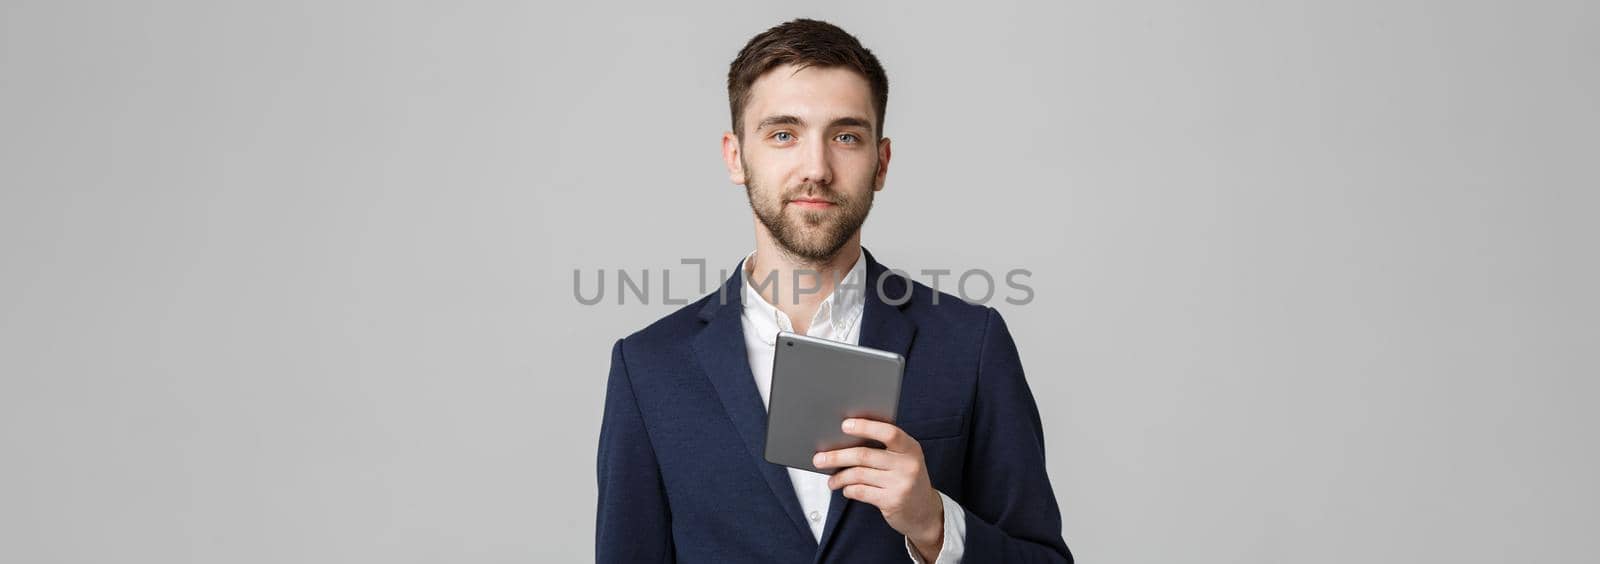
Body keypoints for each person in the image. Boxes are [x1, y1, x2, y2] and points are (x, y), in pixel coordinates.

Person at [595, 18, 1072, 563]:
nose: (816, 168)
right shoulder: (649, 366)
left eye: (845, 136)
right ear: (735, 156)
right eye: (783, 134)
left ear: (881, 162)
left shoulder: (972, 343)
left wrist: (935, 525)